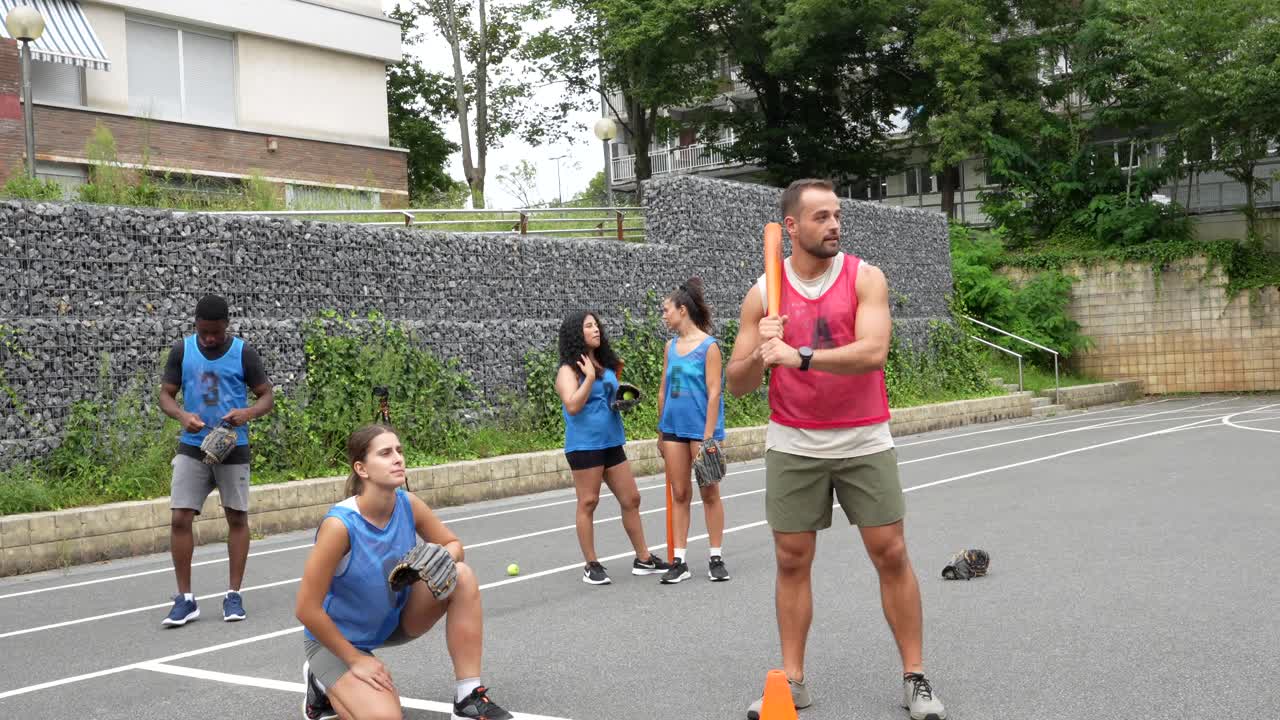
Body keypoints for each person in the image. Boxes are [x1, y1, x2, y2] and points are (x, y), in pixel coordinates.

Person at [726, 179, 946, 720]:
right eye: (821, 217)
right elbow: (736, 382)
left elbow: (873, 352)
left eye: (837, 215)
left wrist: (799, 355)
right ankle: (793, 681)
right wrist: (761, 352)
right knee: (791, 559)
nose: (834, 225)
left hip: (862, 435)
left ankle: (915, 678)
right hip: (793, 440)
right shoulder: (763, 292)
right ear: (792, 227)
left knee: (890, 553)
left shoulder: (865, 277)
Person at [295, 424, 513, 720]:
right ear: (362, 468)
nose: (398, 458)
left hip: (393, 620)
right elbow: (306, 609)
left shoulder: (409, 504)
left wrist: (435, 558)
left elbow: (453, 544)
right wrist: (355, 659)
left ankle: (467, 697)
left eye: (399, 450)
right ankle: (321, 683)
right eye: (385, 453)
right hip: (336, 641)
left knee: (460, 574)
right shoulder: (340, 526)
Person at [158, 294, 274, 627]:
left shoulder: (243, 353)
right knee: (180, 517)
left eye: (216, 332)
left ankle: (233, 594)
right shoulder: (183, 350)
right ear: (195, 325)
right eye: (203, 331)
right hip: (193, 444)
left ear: (227, 326)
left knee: (236, 518)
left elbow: (267, 395)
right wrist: (182, 416)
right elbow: (166, 394)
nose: (209, 338)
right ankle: (186, 599)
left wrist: (248, 413)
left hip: (232, 445)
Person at [554, 311, 671, 585]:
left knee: (632, 499)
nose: (596, 329)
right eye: (588, 326)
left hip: (611, 439)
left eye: (596, 324)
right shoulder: (568, 370)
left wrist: (622, 402)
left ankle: (643, 559)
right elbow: (572, 405)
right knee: (588, 501)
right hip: (585, 444)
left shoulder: (604, 365)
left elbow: (608, 399)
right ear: (575, 334)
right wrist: (589, 379)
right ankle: (591, 565)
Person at [655, 278, 730, 584]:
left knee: (709, 493)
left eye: (666, 310)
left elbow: (714, 393)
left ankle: (715, 557)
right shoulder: (670, 347)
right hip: (673, 429)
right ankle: (680, 561)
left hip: (701, 431)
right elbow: (662, 391)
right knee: (680, 493)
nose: (663, 315)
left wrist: (709, 436)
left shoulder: (709, 347)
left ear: (682, 310)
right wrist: (660, 432)